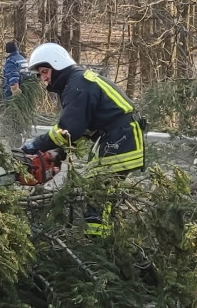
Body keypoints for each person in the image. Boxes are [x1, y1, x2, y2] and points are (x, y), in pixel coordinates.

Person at [19, 42, 144, 233]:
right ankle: (107, 237)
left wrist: (35, 145)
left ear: (57, 64)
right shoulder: (77, 82)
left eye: (45, 71)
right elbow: (82, 129)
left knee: (97, 196)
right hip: (116, 138)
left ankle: (98, 247)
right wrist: (58, 154)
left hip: (121, 139)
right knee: (97, 192)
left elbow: (69, 129)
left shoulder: (78, 85)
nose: (43, 78)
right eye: (40, 74)